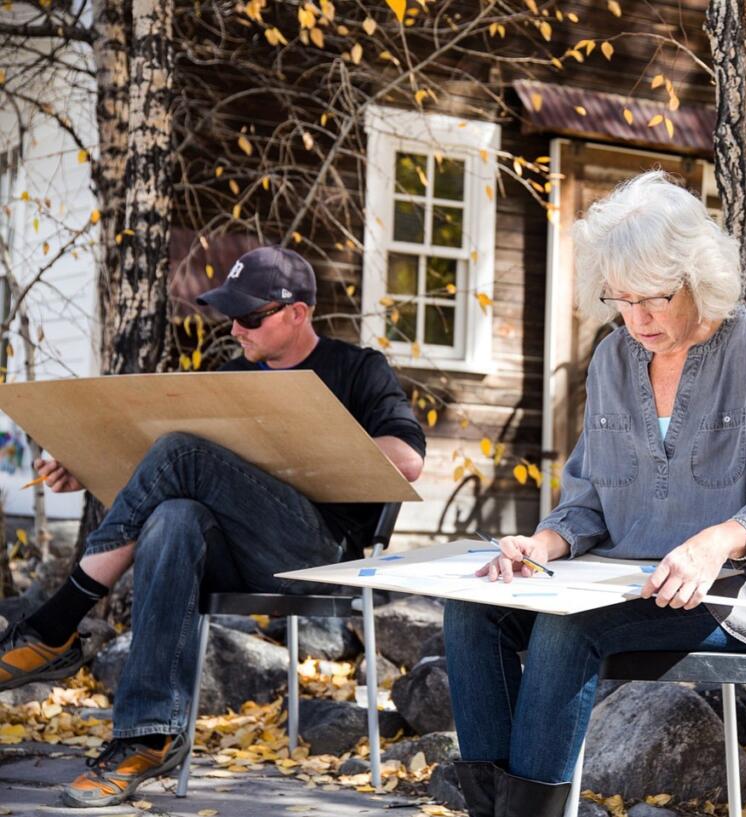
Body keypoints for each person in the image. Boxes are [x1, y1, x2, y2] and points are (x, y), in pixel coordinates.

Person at [441, 170, 746, 817]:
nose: (636, 318)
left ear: (696, 278)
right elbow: (587, 497)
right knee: (472, 609)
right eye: (621, 299)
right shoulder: (613, 359)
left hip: (727, 593)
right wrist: (540, 544)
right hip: (614, 580)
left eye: (653, 298)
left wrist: (711, 544)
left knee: (566, 634)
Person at [0, 246, 426, 807]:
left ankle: (56, 624)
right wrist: (83, 471)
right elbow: (172, 472)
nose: (235, 327)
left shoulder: (358, 368)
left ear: (297, 313)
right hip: (239, 550)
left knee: (181, 452)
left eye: (250, 317)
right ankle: (147, 737)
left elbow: (408, 459)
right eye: (230, 314)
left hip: (321, 552)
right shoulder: (230, 378)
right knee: (174, 516)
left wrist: (297, 446)